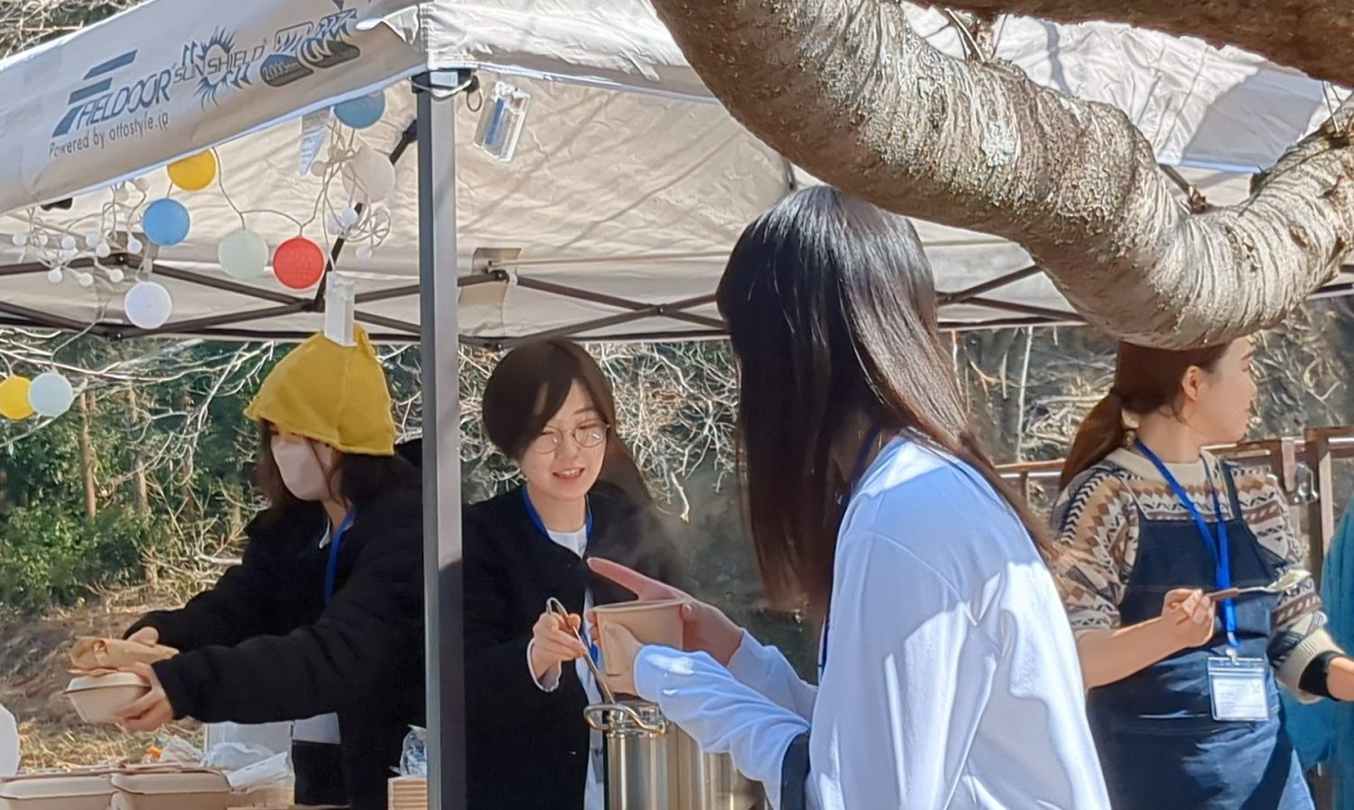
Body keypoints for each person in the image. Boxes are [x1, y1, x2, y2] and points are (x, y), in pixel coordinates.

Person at [590, 186, 1108, 809]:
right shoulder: (922, 488)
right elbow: (866, 745)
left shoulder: (901, 516)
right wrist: (732, 654)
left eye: (744, 352)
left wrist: (669, 677)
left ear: (789, 356)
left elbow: (847, 795)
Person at [113, 326, 425, 810]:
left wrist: (190, 683)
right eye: (276, 434)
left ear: (350, 440)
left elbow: (336, 655)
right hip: (323, 766)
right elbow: (241, 606)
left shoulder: (412, 529)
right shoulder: (297, 527)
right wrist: (165, 634)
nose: (284, 449)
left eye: (301, 436)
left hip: (404, 774)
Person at [1048, 339, 1354, 809]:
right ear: (1193, 382)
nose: (1255, 388)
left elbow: (1295, 636)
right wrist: (1166, 634)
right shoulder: (1103, 497)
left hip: (1268, 786)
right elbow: (1074, 657)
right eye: (1247, 367)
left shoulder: (1256, 494)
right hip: (1153, 787)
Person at [463, 338, 684, 810]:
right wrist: (534, 657)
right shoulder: (479, 537)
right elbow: (461, 682)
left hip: (641, 785)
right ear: (511, 440)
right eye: (546, 434)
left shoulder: (634, 524)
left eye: (586, 429)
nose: (570, 452)